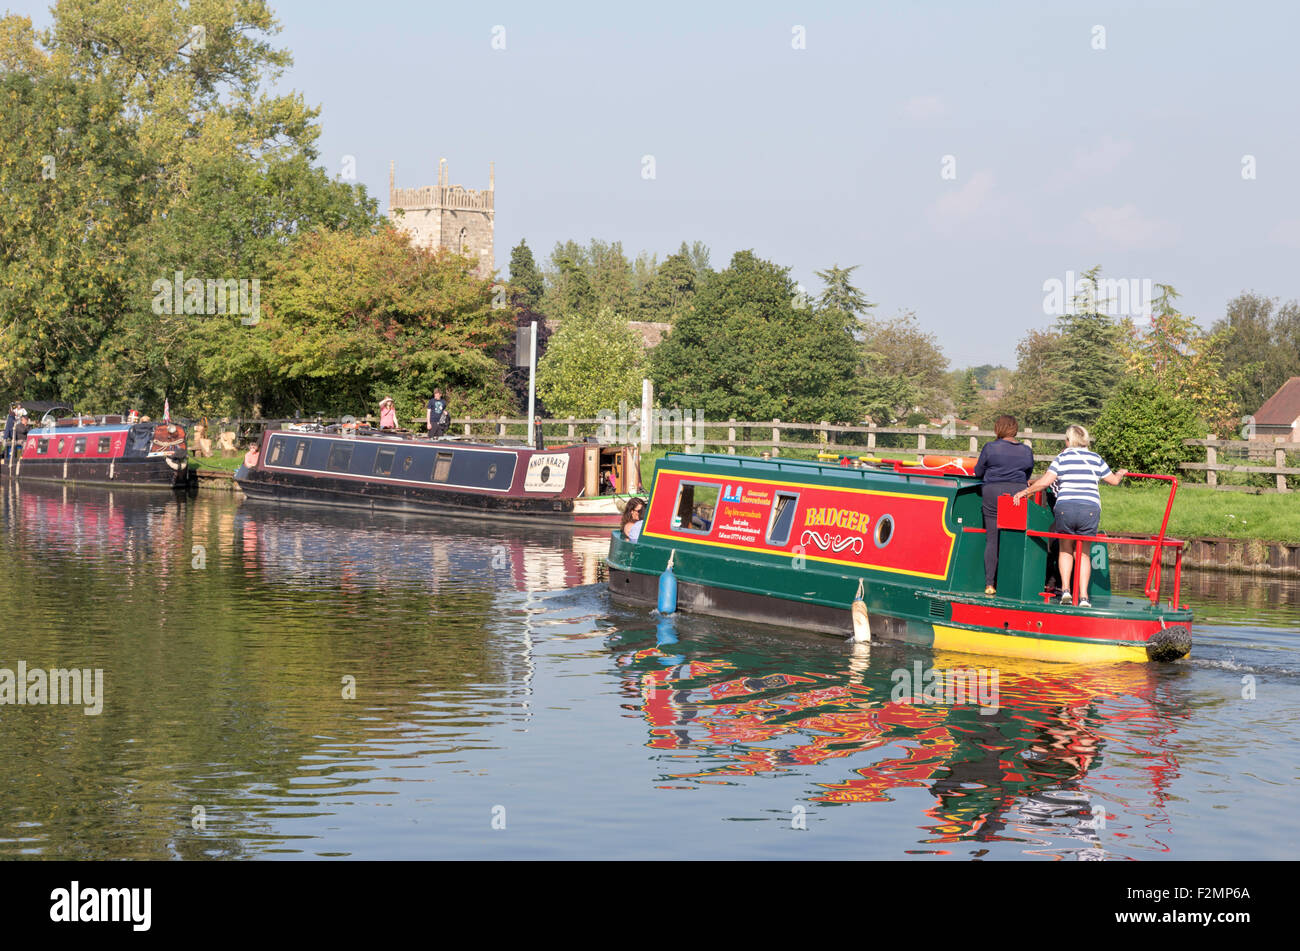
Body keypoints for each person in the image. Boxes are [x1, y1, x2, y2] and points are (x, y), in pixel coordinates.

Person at [1015, 424, 1126, 608]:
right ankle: (1083, 597)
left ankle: (1065, 591)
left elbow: (1046, 481)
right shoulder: (1096, 458)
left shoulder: (1063, 457)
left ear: (1069, 440)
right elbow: (1113, 481)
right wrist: (1120, 474)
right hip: (1089, 509)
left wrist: (1025, 491)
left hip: (1065, 507)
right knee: (1083, 554)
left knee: (1065, 549)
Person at [974, 415, 1035, 596]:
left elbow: (978, 472)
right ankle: (1013, 584)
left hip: (993, 492)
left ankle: (990, 584)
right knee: (1014, 537)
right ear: (1015, 429)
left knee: (992, 539)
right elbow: (1028, 473)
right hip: (1017, 494)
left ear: (997, 428)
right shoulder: (1026, 450)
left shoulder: (990, 448)